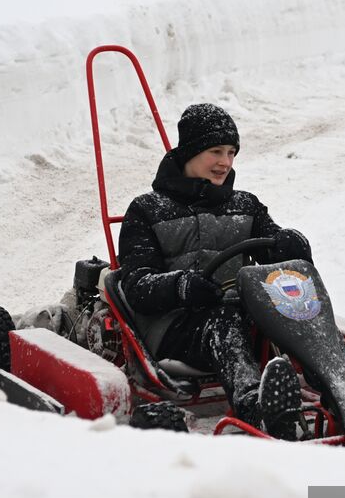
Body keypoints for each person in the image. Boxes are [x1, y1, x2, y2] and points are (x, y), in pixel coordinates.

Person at [117, 103, 315, 439]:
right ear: (189, 153)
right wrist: (182, 287)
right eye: (216, 151)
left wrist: (289, 246)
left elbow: (274, 252)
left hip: (240, 313)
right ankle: (257, 408)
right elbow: (137, 285)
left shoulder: (246, 205)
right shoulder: (147, 210)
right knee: (224, 322)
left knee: (298, 303)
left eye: (231, 152)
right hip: (175, 327)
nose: (226, 162)